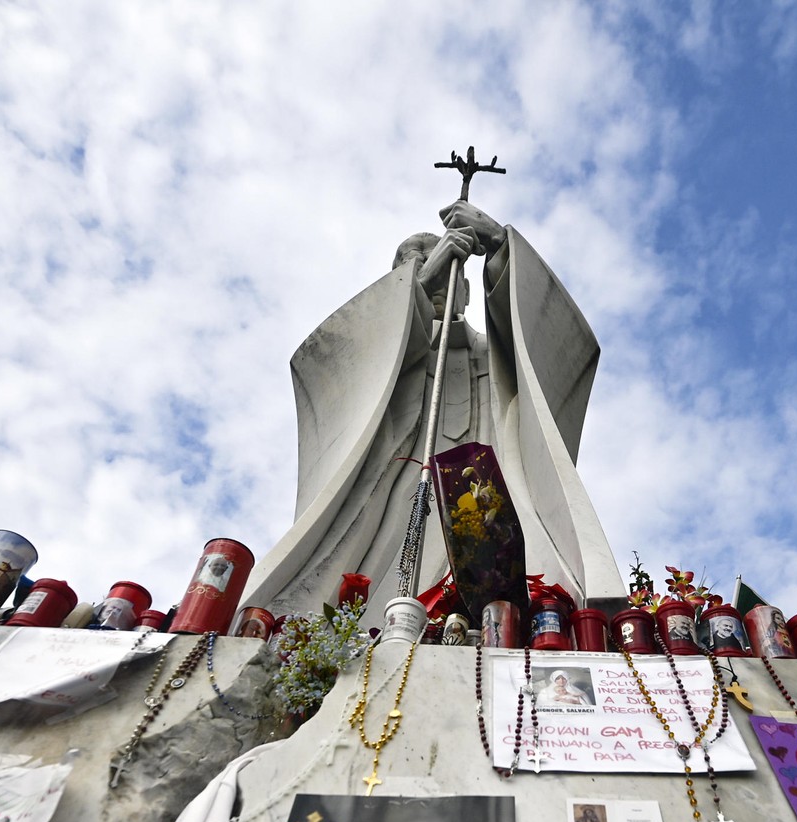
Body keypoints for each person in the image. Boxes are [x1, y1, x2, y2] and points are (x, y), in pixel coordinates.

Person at [241, 199, 626, 617]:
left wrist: (499, 245)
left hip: (494, 475)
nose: (441, 270)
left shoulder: (498, 355)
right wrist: (423, 282)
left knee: (510, 555)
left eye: (447, 265)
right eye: (417, 264)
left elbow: (556, 349)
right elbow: (326, 362)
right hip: (398, 478)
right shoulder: (377, 356)